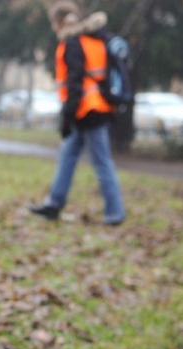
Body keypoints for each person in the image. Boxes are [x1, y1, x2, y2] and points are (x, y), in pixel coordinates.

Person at [30, 1, 126, 226]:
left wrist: (68, 115)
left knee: (101, 161)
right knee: (69, 155)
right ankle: (54, 203)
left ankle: (115, 212)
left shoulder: (73, 43)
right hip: (93, 107)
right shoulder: (91, 39)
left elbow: (75, 83)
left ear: (60, 21)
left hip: (88, 110)